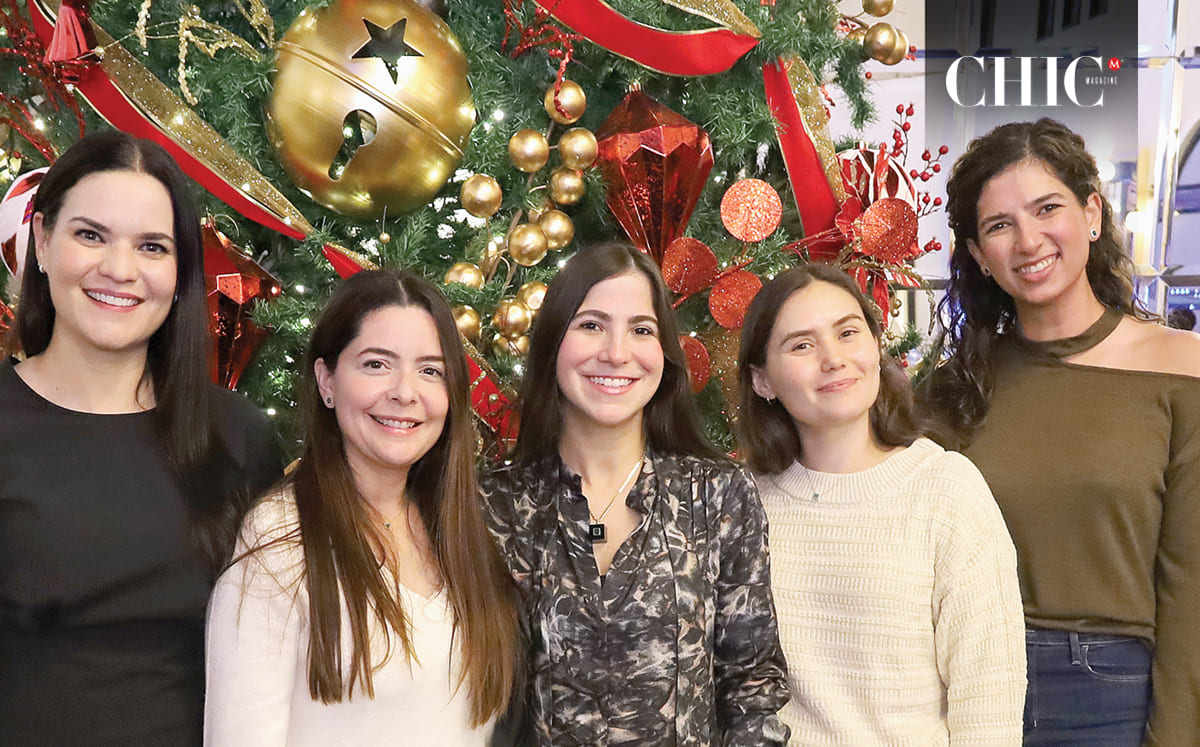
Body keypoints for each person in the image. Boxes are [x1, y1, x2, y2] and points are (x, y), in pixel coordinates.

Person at [921, 118, 1200, 745]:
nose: (1028, 240)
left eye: (1047, 208)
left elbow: (1193, 589)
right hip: (962, 686)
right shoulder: (953, 385)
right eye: (999, 226)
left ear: (1092, 214)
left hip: (1110, 695)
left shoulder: (1182, 370)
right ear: (977, 257)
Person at [0, 130, 282, 746]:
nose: (120, 269)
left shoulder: (240, 437)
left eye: (152, 246)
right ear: (42, 242)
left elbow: (278, 654)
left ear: (180, 271)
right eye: (90, 235)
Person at [481, 241, 790, 745]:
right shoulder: (493, 505)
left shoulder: (718, 496)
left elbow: (751, 688)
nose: (617, 353)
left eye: (641, 330)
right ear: (553, 342)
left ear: (663, 355)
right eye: (591, 325)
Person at [204, 269, 521, 746]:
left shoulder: (458, 526)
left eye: (431, 370)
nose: (405, 391)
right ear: (327, 380)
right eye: (377, 364)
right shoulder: (281, 542)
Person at [736, 263, 1025, 744]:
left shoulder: (945, 489)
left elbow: (988, 697)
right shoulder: (744, 503)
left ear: (875, 345)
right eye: (801, 345)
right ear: (763, 380)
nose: (833, 359)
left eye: (848, 333)